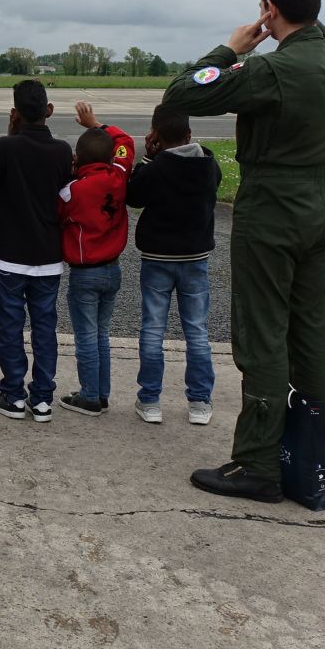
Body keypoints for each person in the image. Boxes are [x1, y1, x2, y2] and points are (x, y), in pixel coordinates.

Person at [163, 0, 325, 502]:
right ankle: (307, 446)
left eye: (265, 9)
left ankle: (259, 463)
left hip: (275, 206)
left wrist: (229, 50)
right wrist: (293, 21)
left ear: (270, 10)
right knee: (310, 327)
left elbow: (181, 94)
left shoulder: (272, 70)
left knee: (263, 332)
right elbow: (319, 33)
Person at [0, 79, 74, 422]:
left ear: (15, 113)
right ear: (48, 110)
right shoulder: (62, 150)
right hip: (48, 254)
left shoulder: (5, 146)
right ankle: (42, 398)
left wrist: (11, 133)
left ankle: (13, 393)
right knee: (44, 327)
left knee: (10, 327)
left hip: (10, 253)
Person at [126, 104, 221, 426]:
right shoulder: (208, 164)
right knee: (196, 330)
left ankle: (150, 400)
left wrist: (148, 158)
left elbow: (133, 196)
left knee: (153, 329)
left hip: (158, 257)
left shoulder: (157, 168)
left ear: (154, 136)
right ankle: (200, 401)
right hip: (195, 258)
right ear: (189, 134)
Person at [56, 102, 135, 417]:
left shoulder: (72, 191)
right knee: (101, 334)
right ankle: (101, 393)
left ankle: (90, 395)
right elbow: (125, 141)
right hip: (113, 269)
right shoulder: (119, 175)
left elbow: (58, 215)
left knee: (87, 336)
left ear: (78, 159)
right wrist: (96, 124)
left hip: (85, 272)